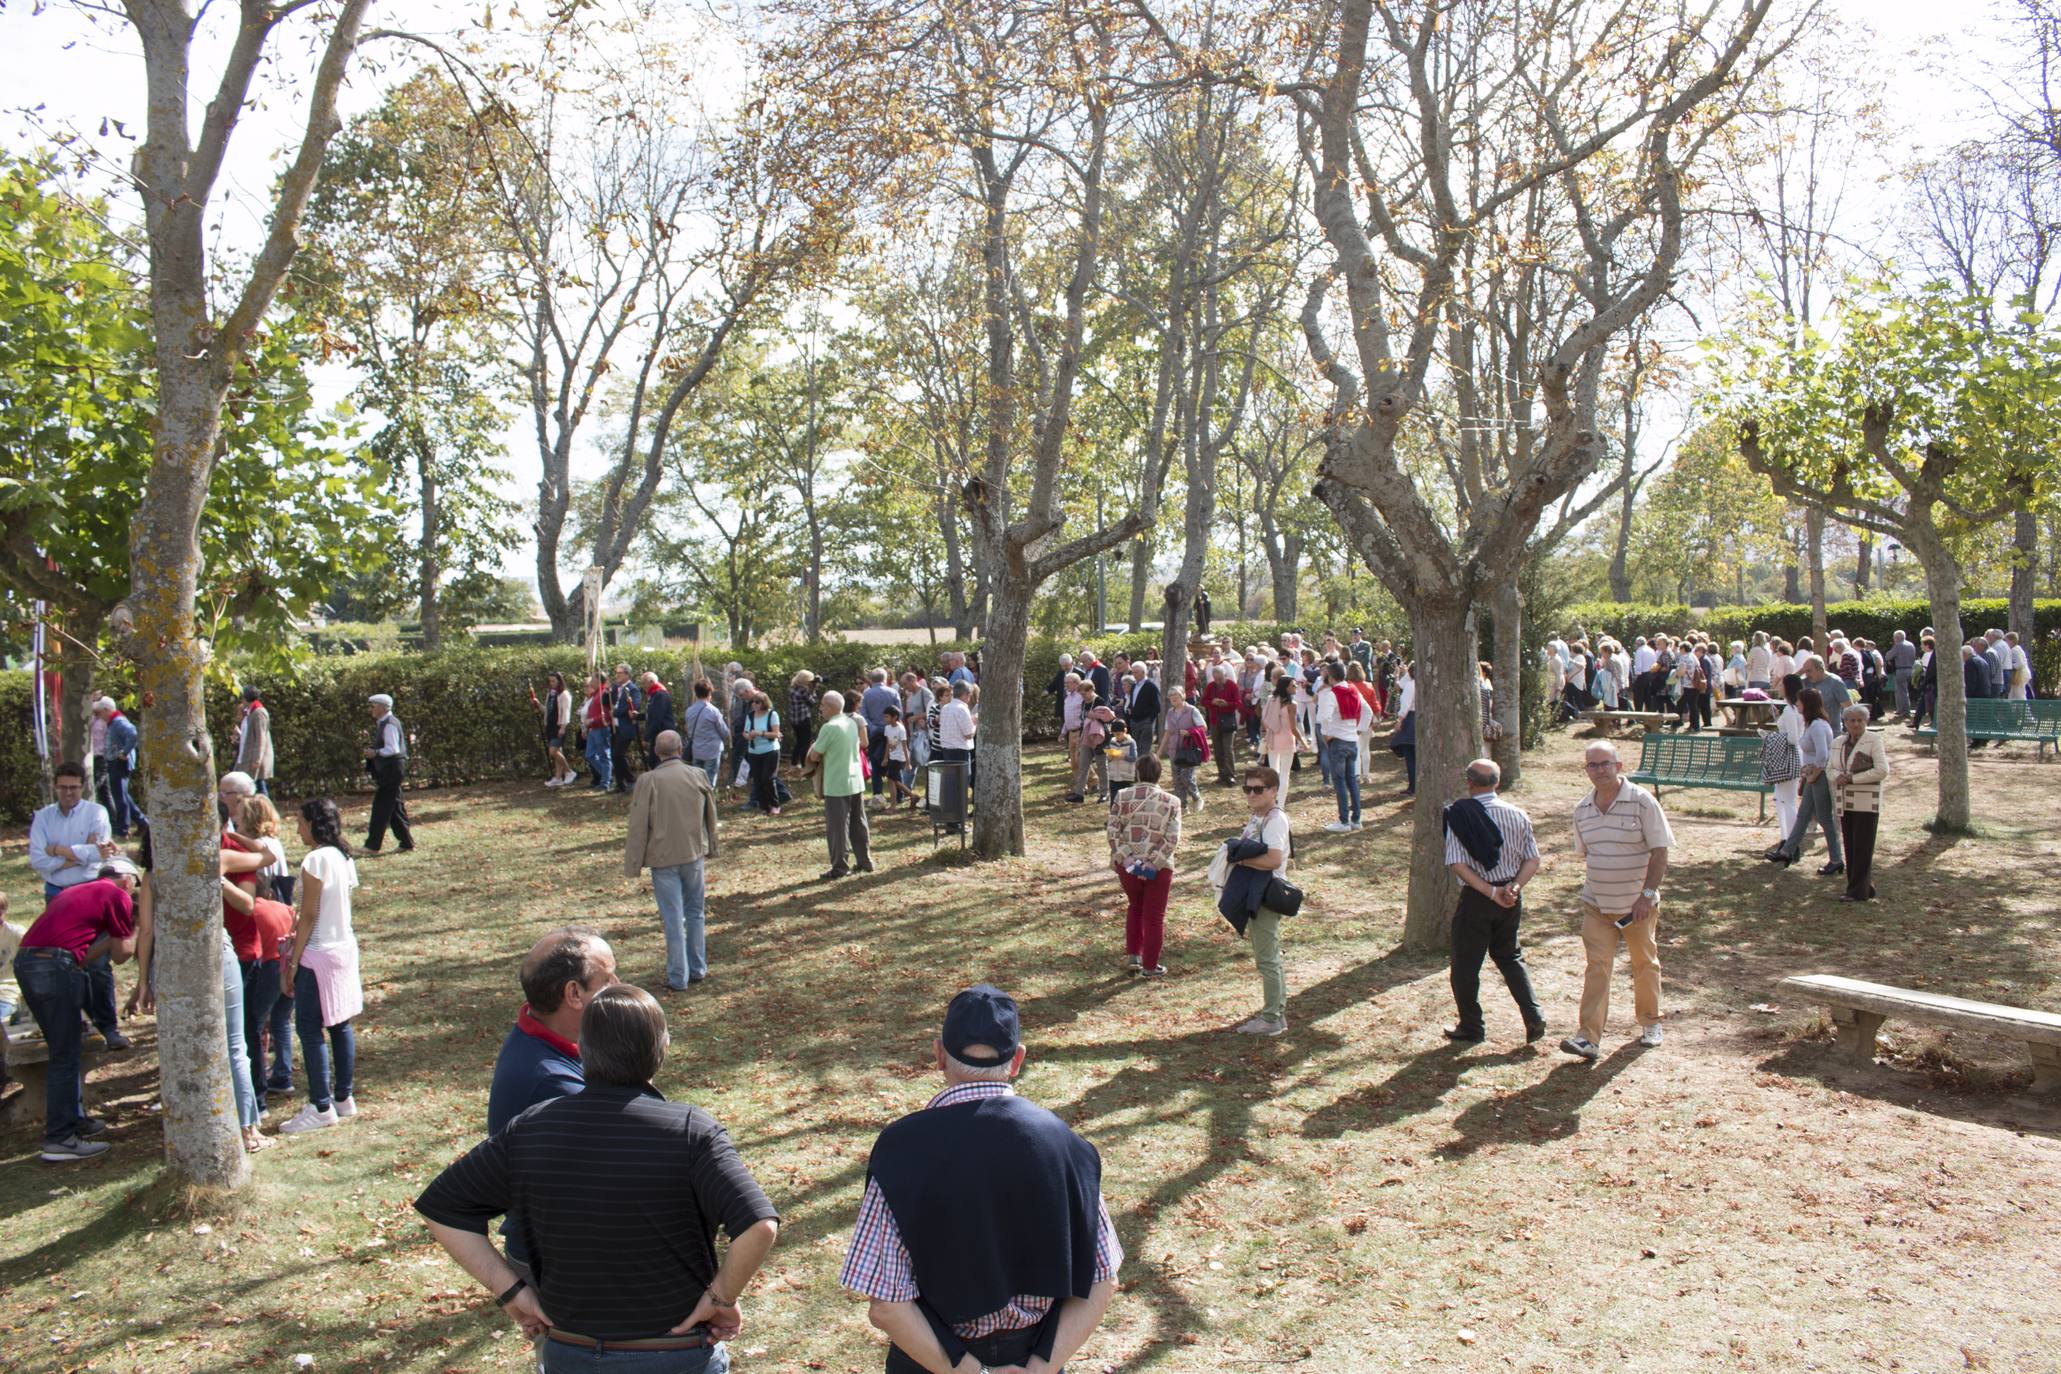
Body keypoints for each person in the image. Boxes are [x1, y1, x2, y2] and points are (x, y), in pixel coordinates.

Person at [416, 984, 780, 1374]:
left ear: (583, 1049)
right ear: (662, 1048)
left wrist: (511, 1292)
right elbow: (758, 1225)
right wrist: (720, 1299)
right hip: (675, 1354)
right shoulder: (692, 1131)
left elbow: (443, 1208)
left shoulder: (531, 1128)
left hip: (571, 1352)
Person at [839, 985, 1120, 1374]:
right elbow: (1102, 1281)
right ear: (1018, 1060)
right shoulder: (1068, 1147)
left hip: (933, 1361)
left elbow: (887, 1305)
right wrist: (1038, 1369)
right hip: (1035, 1356)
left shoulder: (900, 1150)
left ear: (939, 1054)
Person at [488, 928, 617, 1288]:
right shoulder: (553, 1084)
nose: (619, 985)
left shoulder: (545, 1043)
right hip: (559, 1261)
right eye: (607, 980)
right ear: (573, 994)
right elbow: (613, 1173)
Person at [12, 860, 141, 1160]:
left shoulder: (78, 891)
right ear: (126, 880)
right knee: (65, 1053)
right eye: (135, 883)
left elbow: (78, 957)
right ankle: (60, 1139)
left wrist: (109, 936)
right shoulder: (118, 896)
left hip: (31, 963)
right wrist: (136, 925)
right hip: (53, 967)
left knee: (64, 1047)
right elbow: (122, 956)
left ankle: (74, 1120)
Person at [1561, 742, 1674, 1061]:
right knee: (1597, 968)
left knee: (1644, 963)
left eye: (1604, 764)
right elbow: (1590, 856)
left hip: (1637, 906)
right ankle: (1588, 1038)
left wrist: (1647, 896)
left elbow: (1660, 851)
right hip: (1596, 905)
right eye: (1592, 766)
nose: (1598, 770)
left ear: (1619, 766)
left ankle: (1651, 1023)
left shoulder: (1642, 802)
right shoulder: (1582, 809)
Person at [1441, 759, 1546, 1045]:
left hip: (1478, 898)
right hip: (1511, 897)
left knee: (1465, 964)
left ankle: (1472, 1026)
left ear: (1469, 782)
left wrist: (1490, 892)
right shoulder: (1518, 814)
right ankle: (1533, 1015)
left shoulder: (1459, 815)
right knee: (1510, 957)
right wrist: (1513, 887)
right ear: (1497, 782)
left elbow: (1458, 864)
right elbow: (1532, 859)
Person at [278, 798, 363, 1135]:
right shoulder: (343, 856)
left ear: (314, 822)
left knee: (310, 1028)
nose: (297, 828)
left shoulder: (315, 859)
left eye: (300, 821)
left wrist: (293, 962)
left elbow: (310, 914)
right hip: (342, 948)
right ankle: (343, 1097)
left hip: (319, 953)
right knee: (340, 1024)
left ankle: (320, 1105)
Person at [26, 762, 126, 1049]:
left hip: (89, 895)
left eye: (74, 787)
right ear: (55, 787)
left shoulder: (96, 813)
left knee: (97, 964)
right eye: (63, 787)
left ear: (82, 787)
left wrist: (56, 850)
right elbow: (38, 861)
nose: (69, 792)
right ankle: (74, 1026)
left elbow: (99, 856)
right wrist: (80, 852)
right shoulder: (43, 818)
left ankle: (108, 1027)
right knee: (62, 965)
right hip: (57, 896)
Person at [626, 730, 721, 991]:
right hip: (692, 854)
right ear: (680, 749)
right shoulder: (697, 775)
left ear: (657, 752)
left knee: (674, 917)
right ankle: (697, 967)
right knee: (695, 913)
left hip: (664, 858)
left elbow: (637, 825)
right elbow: (711, 817)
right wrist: (711, 847)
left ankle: (679, 976)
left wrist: (633, 863)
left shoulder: (649, 780)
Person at [1216, 766, 1292, 1036]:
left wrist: (1240, 859)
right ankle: (1276, 1015)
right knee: (1267, 957)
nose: (1251, 794)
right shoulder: (1258, 816)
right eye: (1247, 789)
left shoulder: (1274, 820)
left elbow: (1273, 859)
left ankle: (1271, 1018)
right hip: (1254, 891)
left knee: (1267, 959)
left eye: (1258, 789)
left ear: (1273, 791)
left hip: (1265, 895)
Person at [1107, 755, 1180, 977]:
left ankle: (1134, 956)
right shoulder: (1171, 801)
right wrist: (1153, 863)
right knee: (1155, 916)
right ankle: (1150, 966)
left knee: (1135, 907)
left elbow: (1113, 831)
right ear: (1160, 773)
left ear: (1137, 772)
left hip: (1127, 867)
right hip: (1159, 869)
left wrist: (1127, 859)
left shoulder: (1122, 796)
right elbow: (1172, 838)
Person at [809, 692, 874, 880]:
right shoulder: (851, 723)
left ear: (830, 707)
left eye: (822, 705)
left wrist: (813, 748)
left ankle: (839, 867)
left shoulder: (829, 727)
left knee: (837, 827)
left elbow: (815, 755)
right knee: (858, 823)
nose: (820, 708)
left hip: (837, 782)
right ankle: (864, 860)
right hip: (855, 780)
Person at [1830, 704, 1889, 902]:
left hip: (1866, 800)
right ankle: (1863, 886)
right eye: (1852, 720)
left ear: (1866, 722)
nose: (1856, 724)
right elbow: (1829, 768)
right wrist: (1838, 777)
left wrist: (1853, 779)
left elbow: (1882, 770)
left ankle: (1856, 892)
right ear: (1845, 723)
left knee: (1863, 846)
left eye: (1860, 720)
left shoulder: (1874, 740)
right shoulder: (1838, 741)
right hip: (1844, 800)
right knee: (1850, 845)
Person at [1314, 662, 1362, 834]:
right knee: (1351, 780)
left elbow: (1324, 717)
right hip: (1351, 740)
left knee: (1340, 782)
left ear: (1331, 676)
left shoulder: (1332, 694)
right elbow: (1365, 711)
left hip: (1338, 740)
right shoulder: (1353, 689)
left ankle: (1344, 821)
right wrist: (1357, 728)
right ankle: (1356, 819)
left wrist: (1326, 735)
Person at [363, 693, 414, 853]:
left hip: (391, 769)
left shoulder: (390, 724)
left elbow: (393, 749)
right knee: (395, 807)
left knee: (381, 806)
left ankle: (372, 846)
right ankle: (406, 843)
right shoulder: (384, 723)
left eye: (373, 706)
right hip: (391, 769)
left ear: (381, 708)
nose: (371, 709)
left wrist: (375, 753)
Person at [93, 697, 141, 837]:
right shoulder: (113, 722)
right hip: (114, 761)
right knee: (123, 795)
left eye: (101, 712)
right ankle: (142, 822)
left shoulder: (118, 722)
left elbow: (133, 735)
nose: (100, 716)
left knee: (120, 797)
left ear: (107, 710)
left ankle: (122, 829)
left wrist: (124, 752)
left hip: (120, 762)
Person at [1157, 684, 1206, 813]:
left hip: (1188, 749)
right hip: (1174, 749)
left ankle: (1196, 798)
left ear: (1182, 696)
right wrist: (1160, 751)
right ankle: (1182, 806)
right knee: (1177, 779)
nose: (1172, 698)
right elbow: (1167, 732)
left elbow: (1203, 727)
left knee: (1186, 777)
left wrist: (1190, 732)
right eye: (1170, 696)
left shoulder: (1192, 710)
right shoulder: (1169, 712)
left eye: (1175, 695)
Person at [1259, 675, 1303, 802]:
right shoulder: (1292, 704)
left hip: (1273, 738)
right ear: (1286, 687)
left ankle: (1273, 800)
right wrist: (1303, 742)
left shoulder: (1271, 700)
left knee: (1274, 772)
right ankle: (1281, 803)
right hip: (1287, 740)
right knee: (1285, 774)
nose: (1295, 687)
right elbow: (1294, 728)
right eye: (1293, 685)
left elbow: (1264, 720)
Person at [1200, 664, 1243, 789]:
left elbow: (1238, 703)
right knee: (1218, 749)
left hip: (1228, 721)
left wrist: (1227, 704)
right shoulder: (1211, 686)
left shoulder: (1232, 686)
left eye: (1220, 679)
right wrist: (1212, 702)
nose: (1218, 682)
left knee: (1227, 748)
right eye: (1216, 679)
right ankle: (1221, 773)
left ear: (1225, 676)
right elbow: (1203, 701)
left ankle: (1230, 774)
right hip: (1215, 720)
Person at [681, 678, 732, 783]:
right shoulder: (713, 711)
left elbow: (689, 729)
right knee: (709, 781)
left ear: (696, 693)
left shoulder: (689, 711)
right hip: (712, 750)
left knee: (697, 781)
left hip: (696, 749)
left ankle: (698, 799)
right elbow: (724, 732)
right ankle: (708, 799)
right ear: (710, 693)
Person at [741, 692, 784, 817]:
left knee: (768, 778)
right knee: (758, 780)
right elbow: (745, 732)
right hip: (754, 752)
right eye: (752, 702)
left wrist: (760, 733)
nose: (754, 705)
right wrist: (748, 736)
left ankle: (775, 804)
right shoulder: (750, 716)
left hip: (770, 750)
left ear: (764, 703)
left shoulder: (772, 714)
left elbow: (776, 734)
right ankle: (764, 806)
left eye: (757, 702)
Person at [861, 669, 899, 797]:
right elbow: (899, 713)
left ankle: (878, 794)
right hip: (892, 732)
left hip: (874, 733)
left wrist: (873, 728)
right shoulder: (893, 692)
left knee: (876, 764)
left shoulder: (866, 694)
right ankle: (899, 794)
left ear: (871, 680)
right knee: (894, 763)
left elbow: (863, 715)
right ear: (886, 678)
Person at [539, 671, 578, 788]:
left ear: (559, 681)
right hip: (550, 726)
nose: (551, 683)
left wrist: (563, 727)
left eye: (553, 681)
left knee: (553, 751)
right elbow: (548, 710)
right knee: (558, 752)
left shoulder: (564, 694)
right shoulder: (551, 694)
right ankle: (557, 778)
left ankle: (569, 772)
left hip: (559, 726)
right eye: (550, 681)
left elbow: (566, 712)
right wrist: (538, 705)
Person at [609, 664, 644, 795]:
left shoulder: (632, 689)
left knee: (618, 754)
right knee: (614, 755)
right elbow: (608, 701)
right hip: (615, 727)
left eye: (620, 673)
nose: (617, 675)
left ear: (627, 675)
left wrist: (616, 712)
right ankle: (620, 784)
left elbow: (633, 706)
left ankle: (630, 779)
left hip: (625, 727)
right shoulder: (615, 688)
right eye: (616, 672)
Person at [235, 684, 274, 797]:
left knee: (259, 787)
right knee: (255, 786)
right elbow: (250, 736)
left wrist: (257, 759)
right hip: (247, 756)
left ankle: (266, 812)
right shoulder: (250, 712)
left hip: (254, 758)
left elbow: (261, 737)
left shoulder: (259, 713)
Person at [1389, 661, 1418, 795]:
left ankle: (1413, 786)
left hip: (1411, 719)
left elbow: (1405, 705)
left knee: (1410, 755)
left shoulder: (1411, 686)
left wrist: (1399, 720)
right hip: (1418, 718)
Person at [582, 672, 614, 791]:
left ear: (598, 681)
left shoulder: (603, 694)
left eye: (593, 679)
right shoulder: (595, 695)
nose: (590, 682)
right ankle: (608, 775)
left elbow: (607, 714)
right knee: (590, 755)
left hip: (601, 728)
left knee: (604, 755)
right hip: (593, 729)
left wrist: (592, 720)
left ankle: (605, 782)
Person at [1125, 662, 1162, 755]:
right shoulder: (1134, 686)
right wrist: (1131, 711)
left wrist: (1149, 720)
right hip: (1134, 721)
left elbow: (1157, 706)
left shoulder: (1151, 686)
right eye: (1133, 672)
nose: (1134, 675)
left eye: (1136, 672)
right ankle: (1137, 768)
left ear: (1143, 672)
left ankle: (1144, 768)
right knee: (1135, 748)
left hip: (1146, 722)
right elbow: (1133, 701)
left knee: (1144, 748)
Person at [881, 706, 913, 807]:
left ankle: (893, 806)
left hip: (900, 758)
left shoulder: (901, 729)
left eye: (887, 717)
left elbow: (905, 747)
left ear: (894, 717)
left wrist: (908, 763)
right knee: (894, 780)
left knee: (891, 780)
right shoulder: (887, 728)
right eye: (884, 717)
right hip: (892, 757)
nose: (884, 719)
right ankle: (913, 796)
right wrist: (886, 758)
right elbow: (887, 744)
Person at [787, 671, 820, 767]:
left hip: (794, 720)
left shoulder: (792, 688)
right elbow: (812, 703)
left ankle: (794, 763)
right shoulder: (803, 690)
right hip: (803, 719)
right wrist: (813, 690)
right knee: (806, 742)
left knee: (799, 742)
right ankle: (804, 764)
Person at [642, 672, 677, 758]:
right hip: (658, 732)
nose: (642, 686)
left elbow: (657, 717)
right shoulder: (653, 694)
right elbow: (651, 713)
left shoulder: (660, 695)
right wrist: (638, 716)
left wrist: (647, 737)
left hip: (663, 732)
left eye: (644, 683)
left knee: (656, 760)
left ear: (651, 681)